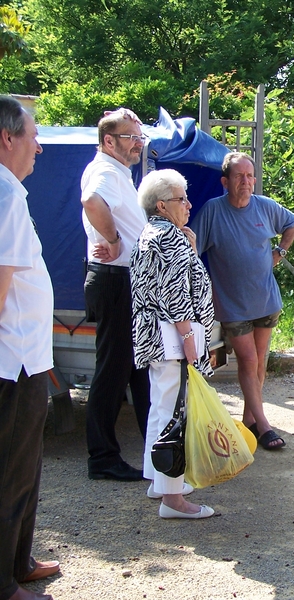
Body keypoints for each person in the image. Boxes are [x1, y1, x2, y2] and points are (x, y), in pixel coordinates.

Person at [192, 152, 294, 450]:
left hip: (266, 299)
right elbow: (192, 248)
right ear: (225, 181)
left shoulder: (265, 206)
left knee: (259, 361)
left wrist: (280, 252)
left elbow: (292, 222)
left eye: (250, 176)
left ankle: (249, 421)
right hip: (232, 304)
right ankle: (264, 426)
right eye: (239, 176)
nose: (246, 181)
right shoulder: (213, 211)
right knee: (249, 360)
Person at [130, 169, 215, 519]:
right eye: (182, 199)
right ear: (162, 205)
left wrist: (190, 249)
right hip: (171, 337)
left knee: (161, 405)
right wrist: (188, 338)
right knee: (174, 412)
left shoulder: (153, 232)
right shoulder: (170, 237)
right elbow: (175, 294)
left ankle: (158, 479)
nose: (189, 204)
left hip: (155, 336)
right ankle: (172, 498)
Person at [0, 96, 58, 600]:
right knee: (9, 473)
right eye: (33, 136)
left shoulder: (9, 192)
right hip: (12, 361)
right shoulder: (4, 195)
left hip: (27, 358)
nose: (39, 146)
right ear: (7, 138)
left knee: (25, 467)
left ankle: (20, 561)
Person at [81, 107, 150, 481]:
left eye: (140, 137)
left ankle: (157, 447)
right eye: (131, 137)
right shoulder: (105, 171)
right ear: (109, 141)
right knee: (113, 371)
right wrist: (113, 239)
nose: (138, 143)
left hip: (126, 280)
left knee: (139, 369)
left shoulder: (117, 171)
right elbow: (92, 202)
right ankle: (103, 457)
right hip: (115, 281)